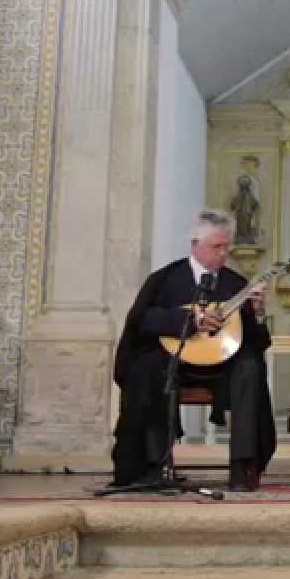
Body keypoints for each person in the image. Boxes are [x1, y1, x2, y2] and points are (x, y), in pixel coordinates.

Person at [112, 209, 276, 491]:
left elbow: (256, 342)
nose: (223, 254)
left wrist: (258, 315)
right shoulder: (165, 279)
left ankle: (244, 467)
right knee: (147, 367)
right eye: (216, 246)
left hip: (222, 367)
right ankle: (153, 466)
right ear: (195, 244)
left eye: (226, 247)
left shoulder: (236, 284)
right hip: (174, 363)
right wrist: (189, 320)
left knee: (250, 367)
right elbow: (143, 321)